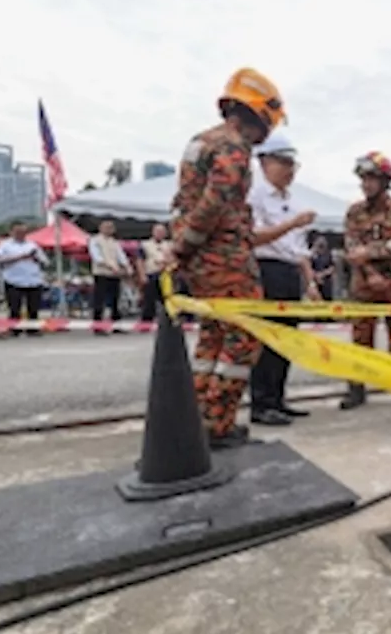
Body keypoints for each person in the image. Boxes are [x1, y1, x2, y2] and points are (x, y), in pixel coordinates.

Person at [171, 67, 287, 450]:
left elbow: (183, 202)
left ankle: (198, 421)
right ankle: (218, 425)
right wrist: (188, 243)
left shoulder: (201, 141)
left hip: (203, 261)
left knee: (211, 338)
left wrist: (183, 247)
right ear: (260, 113)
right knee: (242, 337)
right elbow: (215, 200)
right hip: (224, 257)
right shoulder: (234, 146)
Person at [247, 131, 319, 426]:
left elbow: (298, 250)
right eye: (283, 163)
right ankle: (261, 403)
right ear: (265, 162)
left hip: (289, 272)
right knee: (267, 341)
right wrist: (291, 224)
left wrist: (310, 281)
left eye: (293, 165)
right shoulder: (255, 195)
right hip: (267, 271)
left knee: (288, 340)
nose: (289, 170)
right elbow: (253, 237)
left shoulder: (291, 200)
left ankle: (278, 398)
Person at [340, 151, 391, 411]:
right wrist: (371, 272)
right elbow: (351, 248)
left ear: (385, 181)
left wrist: (369, 255)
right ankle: (356, 389)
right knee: (361, 339)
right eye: (363, 179)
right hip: (363, 283)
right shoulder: (354, 212)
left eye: (371, 178)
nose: (365, 184)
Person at [0, 220, 49, 335]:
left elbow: (45, 262)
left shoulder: (33, 244)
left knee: (33, 308)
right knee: (14, 307)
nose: (21, 234)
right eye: (18, 232)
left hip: (33, 280)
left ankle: (33, 329)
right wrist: (20, 257)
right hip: (13, 280)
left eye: (24, 232)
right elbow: (0, 260)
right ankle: (15, 330)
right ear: (11, 232)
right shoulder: (4, 245)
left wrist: (36, 258)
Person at [88, 218, 131, 332]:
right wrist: (110, 265)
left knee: (115, 300)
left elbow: (121, 256)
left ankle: (116, 325)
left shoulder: (115, 242)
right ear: (100, 228)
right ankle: (98, 326)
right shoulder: (94, 240)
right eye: (106, 227)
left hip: (114, 274)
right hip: (101, 273)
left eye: (111, 228)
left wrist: (127, 266)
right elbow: (97, 257)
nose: (109, 229)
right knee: (99, 300)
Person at [136, 223, 173, 322]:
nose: (160, 234)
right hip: (151, 273)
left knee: (167, 299)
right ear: (153, 232)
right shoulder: (144, 244)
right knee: (149, 300)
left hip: (166, 275)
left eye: (162, 232)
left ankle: (168, 321)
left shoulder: (169, 245)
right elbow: (140, 261)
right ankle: (146, 321)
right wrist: (142, 275)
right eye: (158, 231)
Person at [310, 236, 334, 302]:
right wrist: (316, 275)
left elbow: (332, 267)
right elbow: (308, 267)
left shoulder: (328, 254)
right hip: (314, 280)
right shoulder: (311, 254)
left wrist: (322, 274)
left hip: (326, 281)